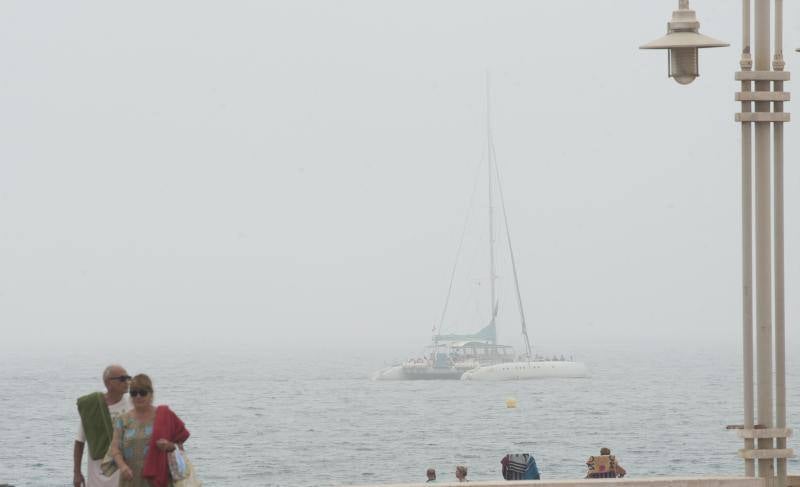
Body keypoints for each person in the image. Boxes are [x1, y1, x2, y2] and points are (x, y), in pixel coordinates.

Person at [108, 374, 190, 487]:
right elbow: (115, 448)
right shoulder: (122, 420)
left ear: (151, 394)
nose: (138, 396)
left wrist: (169, 446)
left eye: (142, 392)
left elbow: (179, 446)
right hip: (130, 478)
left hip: (159, 479)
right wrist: (122, 466)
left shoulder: (165, 415)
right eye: (133, 393)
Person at [74, 364, 132, 487]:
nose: (127, 382)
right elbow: (79, 442)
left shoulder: (133, 405)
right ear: (108, 383)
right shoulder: (93, 407)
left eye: (128, 378)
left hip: (123, 472)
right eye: (122, 379)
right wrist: (77, 472)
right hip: (97, 476)